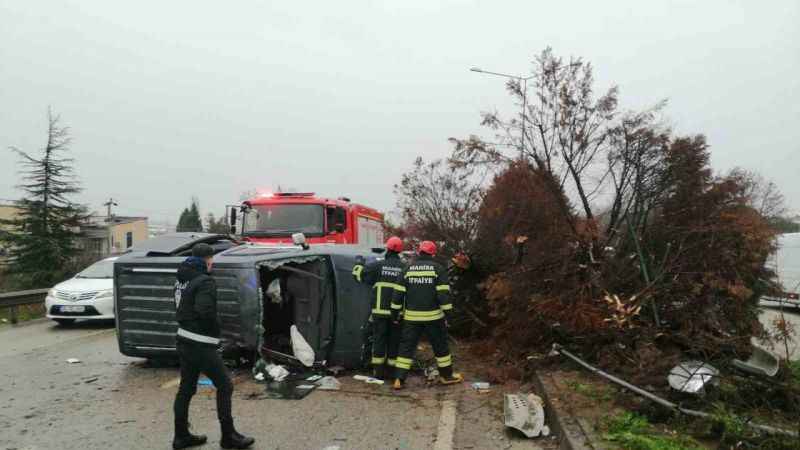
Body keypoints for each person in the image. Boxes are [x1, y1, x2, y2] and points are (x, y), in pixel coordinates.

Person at [172, 243, 255, 450]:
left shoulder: (182, 278)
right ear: (208, 260)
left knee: (186, 388)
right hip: (200, 343)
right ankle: (229, 437)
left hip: (184, 339)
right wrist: (215, 329)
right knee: (225, 385)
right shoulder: (205, 281)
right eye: (212, 260)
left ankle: (181, 436)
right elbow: (205, 311)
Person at [391, 240, 463, 389]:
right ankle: (446, 376)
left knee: (406, 347)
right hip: (433, 318)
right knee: (440, 347)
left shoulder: (408, 269)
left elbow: (397, 294)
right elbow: (443, 295)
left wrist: (394, 314)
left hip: (411, 318)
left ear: (419, 252)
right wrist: (449, 314)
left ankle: (399, 379)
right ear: (433, 253)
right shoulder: (438, 269)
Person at [352, 236, 406, 379]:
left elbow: (358, 275)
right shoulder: (404, 268)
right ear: (400, 252)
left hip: (379, 312)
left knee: (379, 340)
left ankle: (378, 372)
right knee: (394, 341)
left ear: (387, 249)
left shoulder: (378, 266)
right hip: (398, 314)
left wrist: (358, 263)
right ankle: (392, 371)